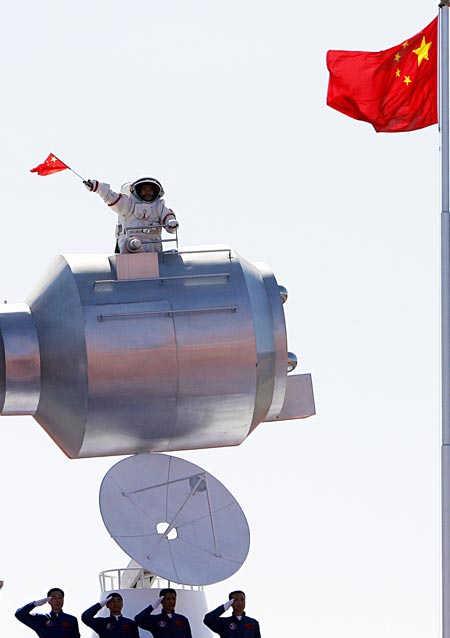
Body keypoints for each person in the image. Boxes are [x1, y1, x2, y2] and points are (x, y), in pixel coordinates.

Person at [84, 176, 178, 253]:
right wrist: (96, 186)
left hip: (154, 248)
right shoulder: (128, 203)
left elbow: (168, 217)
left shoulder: (159, 206)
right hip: (130, 247)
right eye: (145, 188)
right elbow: (110, 196)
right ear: (137, 190)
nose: (148, 191)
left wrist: (171, 223)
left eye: (150, 189)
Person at [15, 587, 80, 638]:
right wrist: (34, 604)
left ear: (63, 600)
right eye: (54, 598)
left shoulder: (71, 619)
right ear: (49, 601)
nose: (57, 601)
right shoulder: (41, 619)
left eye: (60, 598)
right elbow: (19, 614)